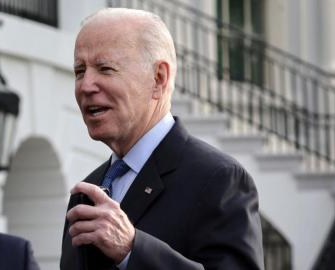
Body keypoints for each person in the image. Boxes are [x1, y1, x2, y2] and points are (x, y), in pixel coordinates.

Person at [60, 7, 264, 270]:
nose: (86, 85)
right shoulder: (86, 193)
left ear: (158, 78)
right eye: (80, 71)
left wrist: (132, 249)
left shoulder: (219, 180)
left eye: (105, 68)